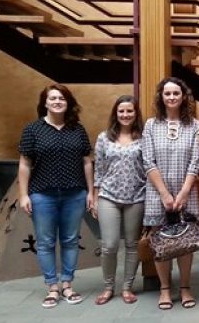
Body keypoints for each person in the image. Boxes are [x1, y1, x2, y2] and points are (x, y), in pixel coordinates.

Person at [18, 84, 94, 308]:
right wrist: (23, 195)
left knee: (70, 240)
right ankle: (52, 287)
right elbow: (24, 164)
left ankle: (68, 285)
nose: (57, 101)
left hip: (74, 194)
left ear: (68, 102)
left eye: (61, 98)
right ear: (44, 103)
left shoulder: (77, 129)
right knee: (45, 242)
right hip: (43, 194)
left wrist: (91, 192)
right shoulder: (33, 130)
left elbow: (87, 162)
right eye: (52, 98)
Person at [141, 77, 199, 310]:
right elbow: (148, 160)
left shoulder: (194, 125)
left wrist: (184, 192)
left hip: (187, 190)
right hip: (158, 192)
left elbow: (195, 161)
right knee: (160, 241)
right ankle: (165, 288)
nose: (172, 97)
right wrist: (165, 194)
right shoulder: (151, 125)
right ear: (161, 97)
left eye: (176, 93)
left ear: (183, 96)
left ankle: (185, 287)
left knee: (185, 240)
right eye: (167, 94)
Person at [92, 95, 145, 305]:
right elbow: (99, 168)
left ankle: (127, 287)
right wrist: (94, 196)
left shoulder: (143, 137)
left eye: (129, 111)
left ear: (135, 113)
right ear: (115, 113)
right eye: (121, 111)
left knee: (133, 244)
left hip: (137, 196)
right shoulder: (104, 138)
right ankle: (108, 287)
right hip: (109, 196)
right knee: (110, 244)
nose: (125, 114)